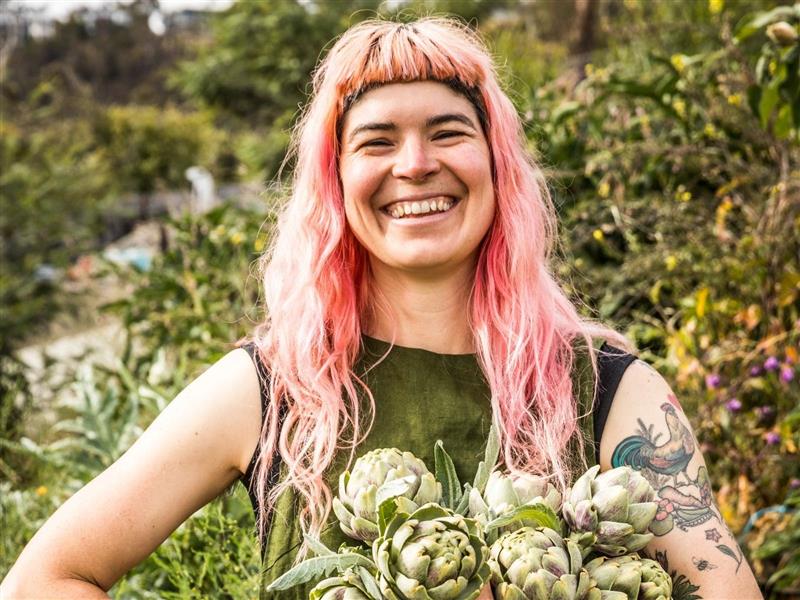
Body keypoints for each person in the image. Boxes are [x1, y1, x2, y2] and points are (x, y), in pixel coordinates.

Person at [2, 17, 762, 599]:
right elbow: (44, 578)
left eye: (448, 132)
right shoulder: (271, 390)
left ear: (497, 166)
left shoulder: (612, 393)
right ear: (335, 183)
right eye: (376, 141)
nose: (414, 164)